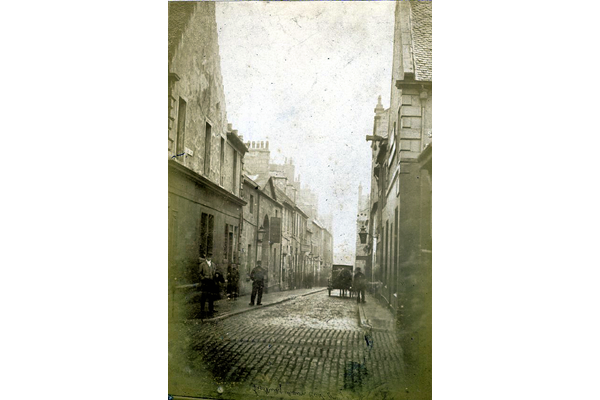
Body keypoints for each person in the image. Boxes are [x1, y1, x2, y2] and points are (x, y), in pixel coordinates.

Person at [198, 252, 218, 316]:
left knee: (211, 296)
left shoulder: (213, 265)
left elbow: (215, 272)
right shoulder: (202, 264)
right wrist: (203, 278)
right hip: (205, 281)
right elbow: (199, 273)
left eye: (210, 256)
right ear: (206, 257)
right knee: (204, 296)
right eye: (208, 256)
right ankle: (202, 309)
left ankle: (211, 309)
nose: (209, 257)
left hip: (211, 282)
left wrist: (216, 275)